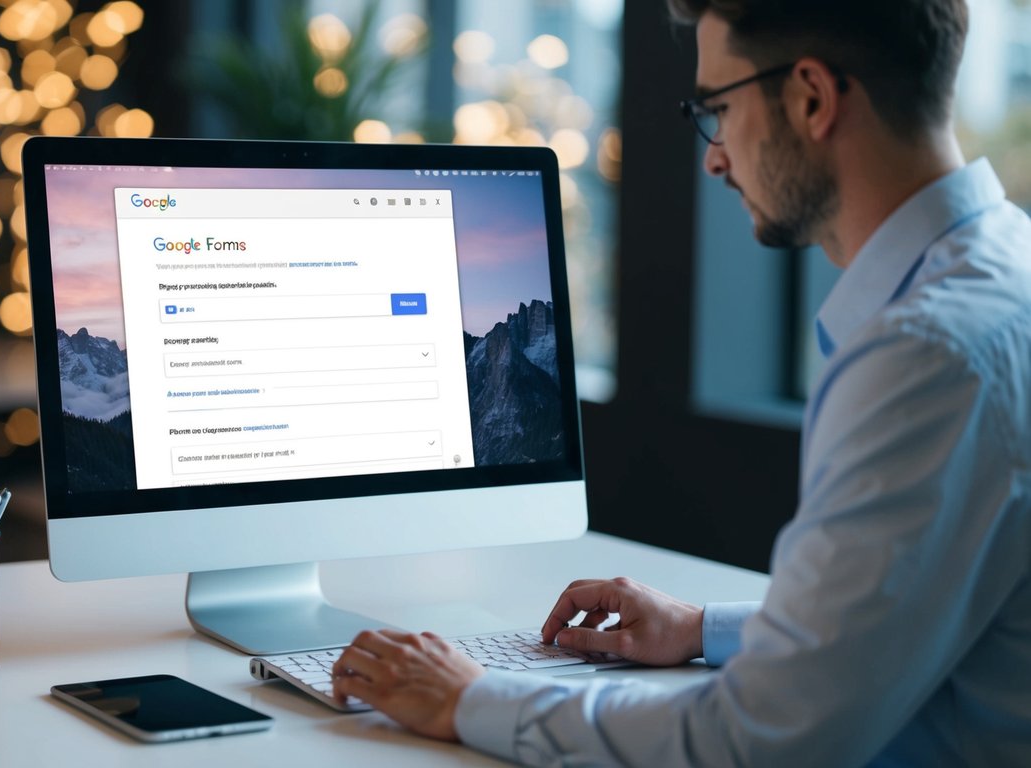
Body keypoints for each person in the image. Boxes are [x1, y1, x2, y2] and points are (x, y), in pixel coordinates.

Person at [331, 1, 1031, 765]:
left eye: (717, 108)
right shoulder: (1001, 273)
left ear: (810, 98)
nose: (713, 157)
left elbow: (755, 738)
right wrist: (703, 630)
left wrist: (470, 698)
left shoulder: (926, 355)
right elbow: (902, 616)